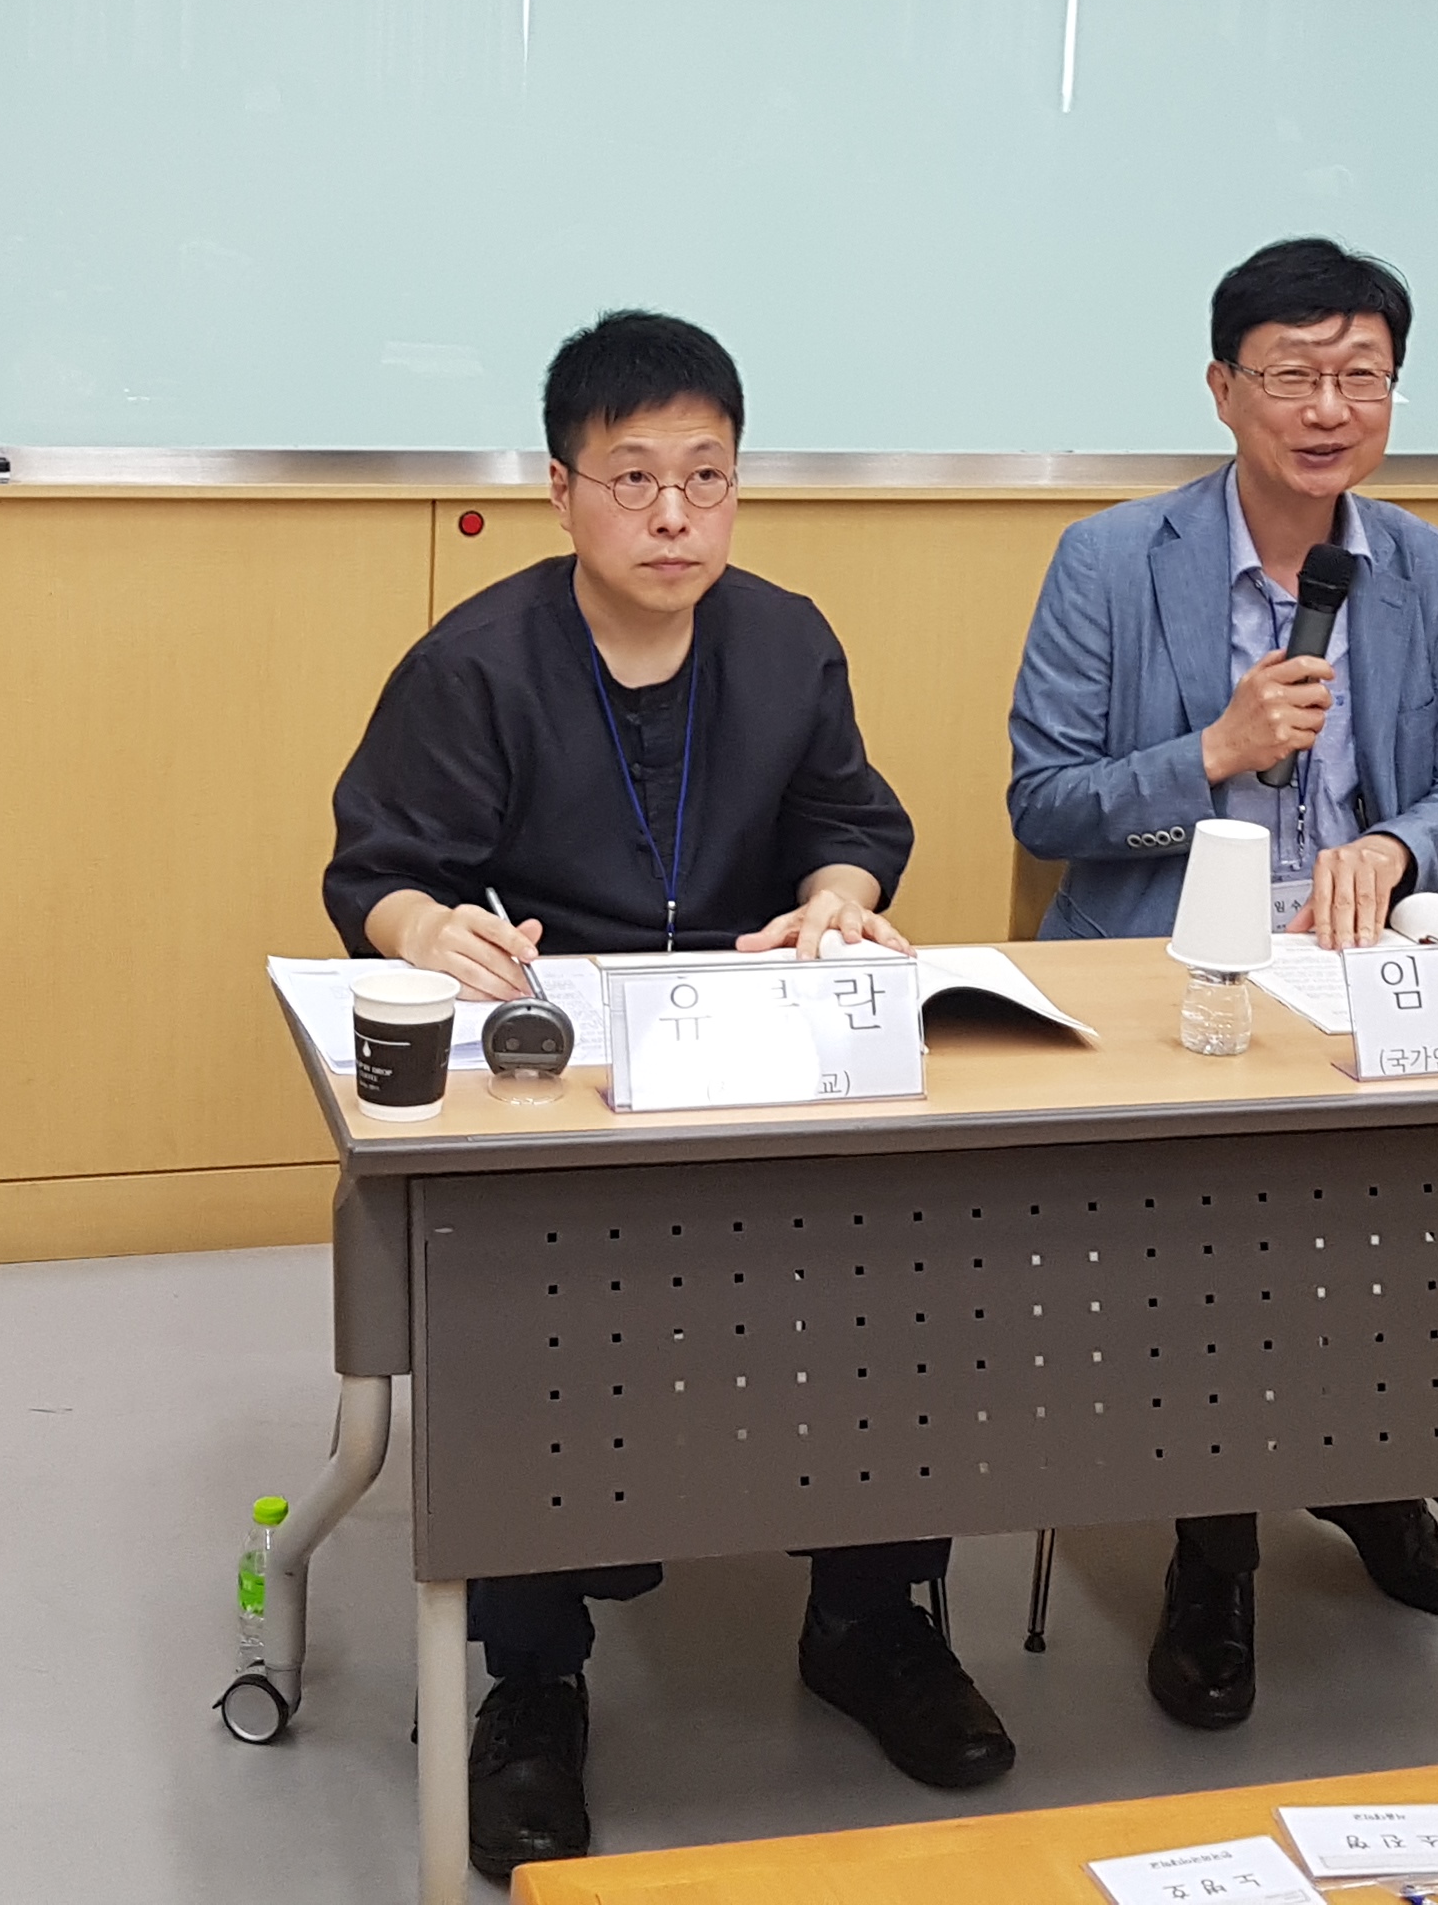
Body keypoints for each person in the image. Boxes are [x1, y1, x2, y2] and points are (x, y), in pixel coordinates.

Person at [325, 309, 1014, 1877]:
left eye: (707, 476)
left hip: (758, 1055)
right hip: (555, 1073)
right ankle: (533, 1679)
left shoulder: (784, 641)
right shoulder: (476, 664)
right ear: (559, 490)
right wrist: (427, 930)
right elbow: (378, 871)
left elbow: (852, 823)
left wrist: (836, 896)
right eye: (632, 478)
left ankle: (870, 1618)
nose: (674, 514)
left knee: (904, 1256)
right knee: (515, 1292)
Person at [1004, 235, 1438, 1730]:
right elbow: (1046, 803)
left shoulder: (1431, 570)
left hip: (1358, 969)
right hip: (1165, 973)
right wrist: (1215, 755)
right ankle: (1213, 1551)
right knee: (1224, 1227)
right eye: (1294, 375)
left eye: (1363, 377)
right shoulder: (1112, 560)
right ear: (1225, 389)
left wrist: (1401, 848)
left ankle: (1373, 1479)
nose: (1329, 408)